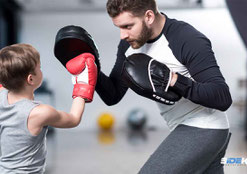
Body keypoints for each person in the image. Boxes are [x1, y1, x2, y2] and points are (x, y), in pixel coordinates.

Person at [94, 0, 233, 173]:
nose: (123, 35)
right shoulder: (129, 44)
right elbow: (112, 95)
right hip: (187, 127)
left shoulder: (186, 38)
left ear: (149, 16)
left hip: (205, 126)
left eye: (128, 26)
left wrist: (173, 80)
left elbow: (222, 97)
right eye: (119, 28)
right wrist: (91, 69)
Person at [0, 43, 97, 173]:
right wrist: (82, 84)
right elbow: (73, 119)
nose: (41, 70)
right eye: (39, 67)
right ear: (31, 79)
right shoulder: (40, 112)